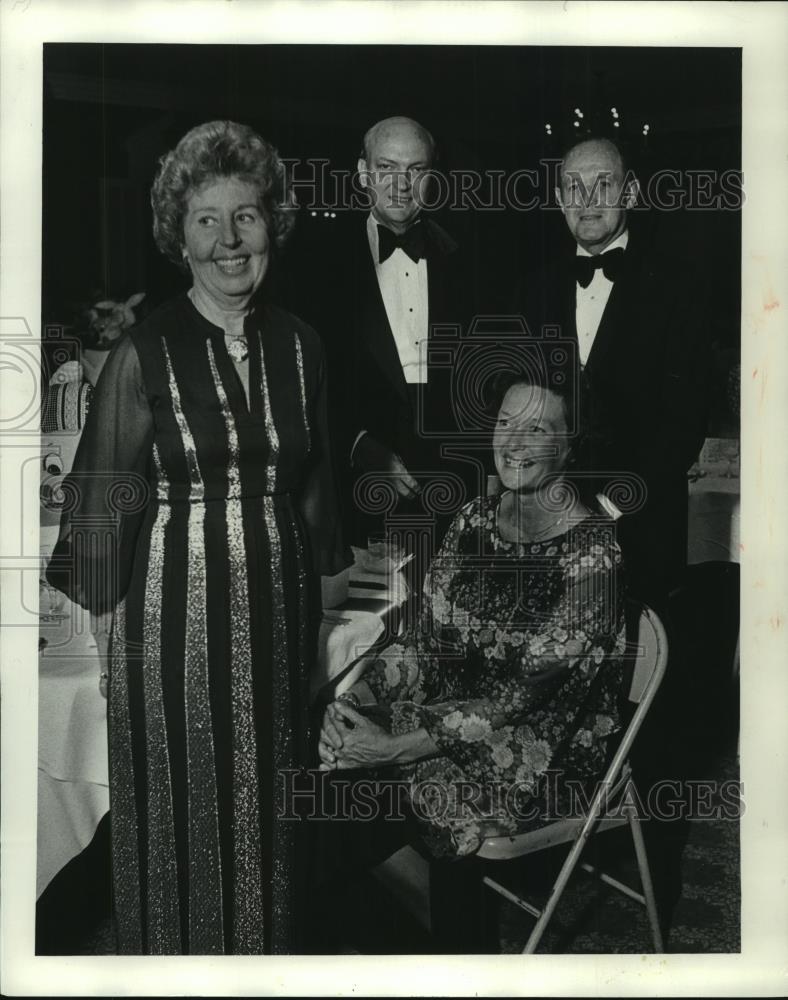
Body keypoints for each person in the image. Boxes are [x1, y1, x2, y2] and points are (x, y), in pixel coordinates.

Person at [47, 120, 348, 955]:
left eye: (245, 216)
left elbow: (317, 494)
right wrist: (112, 642)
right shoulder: (144, 353)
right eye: (206, 220)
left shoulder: (304, 346)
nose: (228, 239)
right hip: (170, 620)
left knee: (268, 802)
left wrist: (320, 614)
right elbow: (104, 502)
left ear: (271, 227)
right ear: (179, 237)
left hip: (279, 611)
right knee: (183, 808)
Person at [316, 368, 628, 951]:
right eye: (504, 423)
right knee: (315, 765)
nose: (512, 443)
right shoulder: (474, 521)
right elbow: (423, 642)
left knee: (369, 798)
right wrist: (354, 702)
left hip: (544, 752)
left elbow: (522, 699)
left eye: (536, 429)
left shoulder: (594, 559)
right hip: (453, 718)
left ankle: (451, 949)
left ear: (571, 443)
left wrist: (392, 745)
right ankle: (436, 942)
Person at [517, 134, 710, 612]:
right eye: (572, 187)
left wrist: (610, 506)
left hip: (642, 529)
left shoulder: (678, 288)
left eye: (603, 185)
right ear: (560, 200)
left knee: (642, 671)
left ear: (631, 193)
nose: (586, 201)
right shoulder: (531, 290)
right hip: (549, 524)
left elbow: (686, 420)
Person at [285, 116, 478, 577]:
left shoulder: (468, 257)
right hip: (357, 484)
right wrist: (357, 444)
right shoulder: (314, 263)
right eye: (387, 167)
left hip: (456, 491)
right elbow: (301, 381)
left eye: (415, 169)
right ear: (363, 173)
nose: (401, 184)